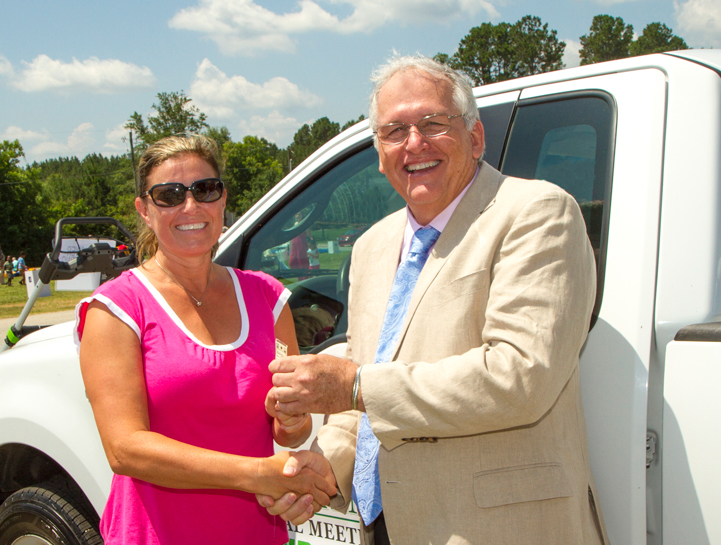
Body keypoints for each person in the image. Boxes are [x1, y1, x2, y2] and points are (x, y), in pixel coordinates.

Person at [260, 55, 609, 544]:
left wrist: (355, 387)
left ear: (475, 137)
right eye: (394, 131)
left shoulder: (537, 213)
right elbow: (363, 394)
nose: (414, 144)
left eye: (432, 123)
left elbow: (519, 376)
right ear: (379, 152)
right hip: (388, 527)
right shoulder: (371, 247)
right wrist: (324, 469)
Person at [76, 135, 335, 545]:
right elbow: (125, 448)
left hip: (255, 533)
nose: (190, 207)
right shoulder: (118, 307)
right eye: (169, 195)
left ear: (222, 199)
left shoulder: (267, 298)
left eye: (205, 190)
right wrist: (256, 475)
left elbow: (290, 430)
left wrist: (291, 418)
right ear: (144, 210)